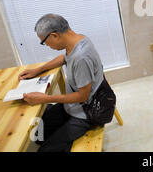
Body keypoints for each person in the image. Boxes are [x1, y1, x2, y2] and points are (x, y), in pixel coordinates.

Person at [18, 13, 104, 152]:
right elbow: (65, 58)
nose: (46, 45)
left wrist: (45, 99)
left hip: (86, 112)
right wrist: (37, 70)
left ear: (54, 35)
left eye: (44, 42)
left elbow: (83, 96)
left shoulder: (81, 57)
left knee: (44, 149)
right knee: (38, 135)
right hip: (73, 106)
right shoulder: (78, 39)